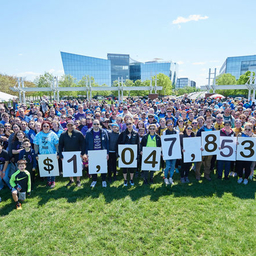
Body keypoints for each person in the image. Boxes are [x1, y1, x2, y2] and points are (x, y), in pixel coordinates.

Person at [83, 119, 109, 187]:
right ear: (92, 125)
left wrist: (107, 153)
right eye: (94, 124)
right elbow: (86, 144)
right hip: (92, 152)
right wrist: (86, 153)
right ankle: (94, 180)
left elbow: (107, 143)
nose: (96, 125)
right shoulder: (88, 133)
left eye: (97, 124)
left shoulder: (104, 132)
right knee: (93, 167)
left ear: (99, 125)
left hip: (102, 152)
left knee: (103, 166)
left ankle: (103, 180)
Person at [59, 120, 85, 187]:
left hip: (77, 153)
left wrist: (82, 152)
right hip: (67, 153)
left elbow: (83, 143)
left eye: (71, 125)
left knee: (78, 167)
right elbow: (60, 145)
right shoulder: (63, 134)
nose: (70, 127)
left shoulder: (78, 133)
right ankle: (71, 180)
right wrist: (60, 154)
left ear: (74, 126)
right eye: (69, 125)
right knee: (69, 167)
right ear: (67, 126)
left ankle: (78, 180)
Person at [33, 121, 59, 188]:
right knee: (46, 168)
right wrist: (36, 154)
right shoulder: (38, 135)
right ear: (42, 127)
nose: (46, 127)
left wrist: (58, 153)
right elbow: (36, 144)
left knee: (52, 168)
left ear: (50, 127)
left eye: (47, 126)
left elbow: (57, 144)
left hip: (52, 153)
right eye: (44, 126)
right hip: (42, 154)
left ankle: (53, 181)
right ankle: (48, 180)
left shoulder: (53, 134)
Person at [117, 118, 139, 186]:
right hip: (124, 152)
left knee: (132, 166)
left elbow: (138, 144)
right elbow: (119, 143)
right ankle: (125, 180)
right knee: (125, 167)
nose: (129, 125)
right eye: (127, 124)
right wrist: (119, 152)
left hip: (133, 152)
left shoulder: (136, 133)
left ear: (133, 124)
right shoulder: (123, 133)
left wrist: (137, 153)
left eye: (130, 124)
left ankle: (131, 179)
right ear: (125, 125)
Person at [163, 119, 178, 185]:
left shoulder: (176, 131)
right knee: (167, 165)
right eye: (168, 124)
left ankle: (171, 177)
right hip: (167, 151)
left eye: (171, 124)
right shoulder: (164, 132)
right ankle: (165, 177)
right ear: (167, 125)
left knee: (173, 165)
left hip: (174, 151)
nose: (170, 125)